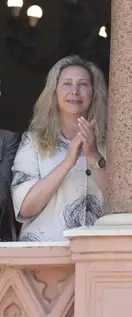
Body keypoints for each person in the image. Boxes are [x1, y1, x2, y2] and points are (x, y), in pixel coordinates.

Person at [11, 56, 108, 241]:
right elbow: (25, 209)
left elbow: (123, 205)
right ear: (54, 93)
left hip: (99, 254)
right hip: (45, 253)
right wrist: (67, 162)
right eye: (67, 84)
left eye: (83, 84)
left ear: (94, 93)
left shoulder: (112, 144)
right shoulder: (33, 142)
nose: (74, 91)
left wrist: (94, 156)